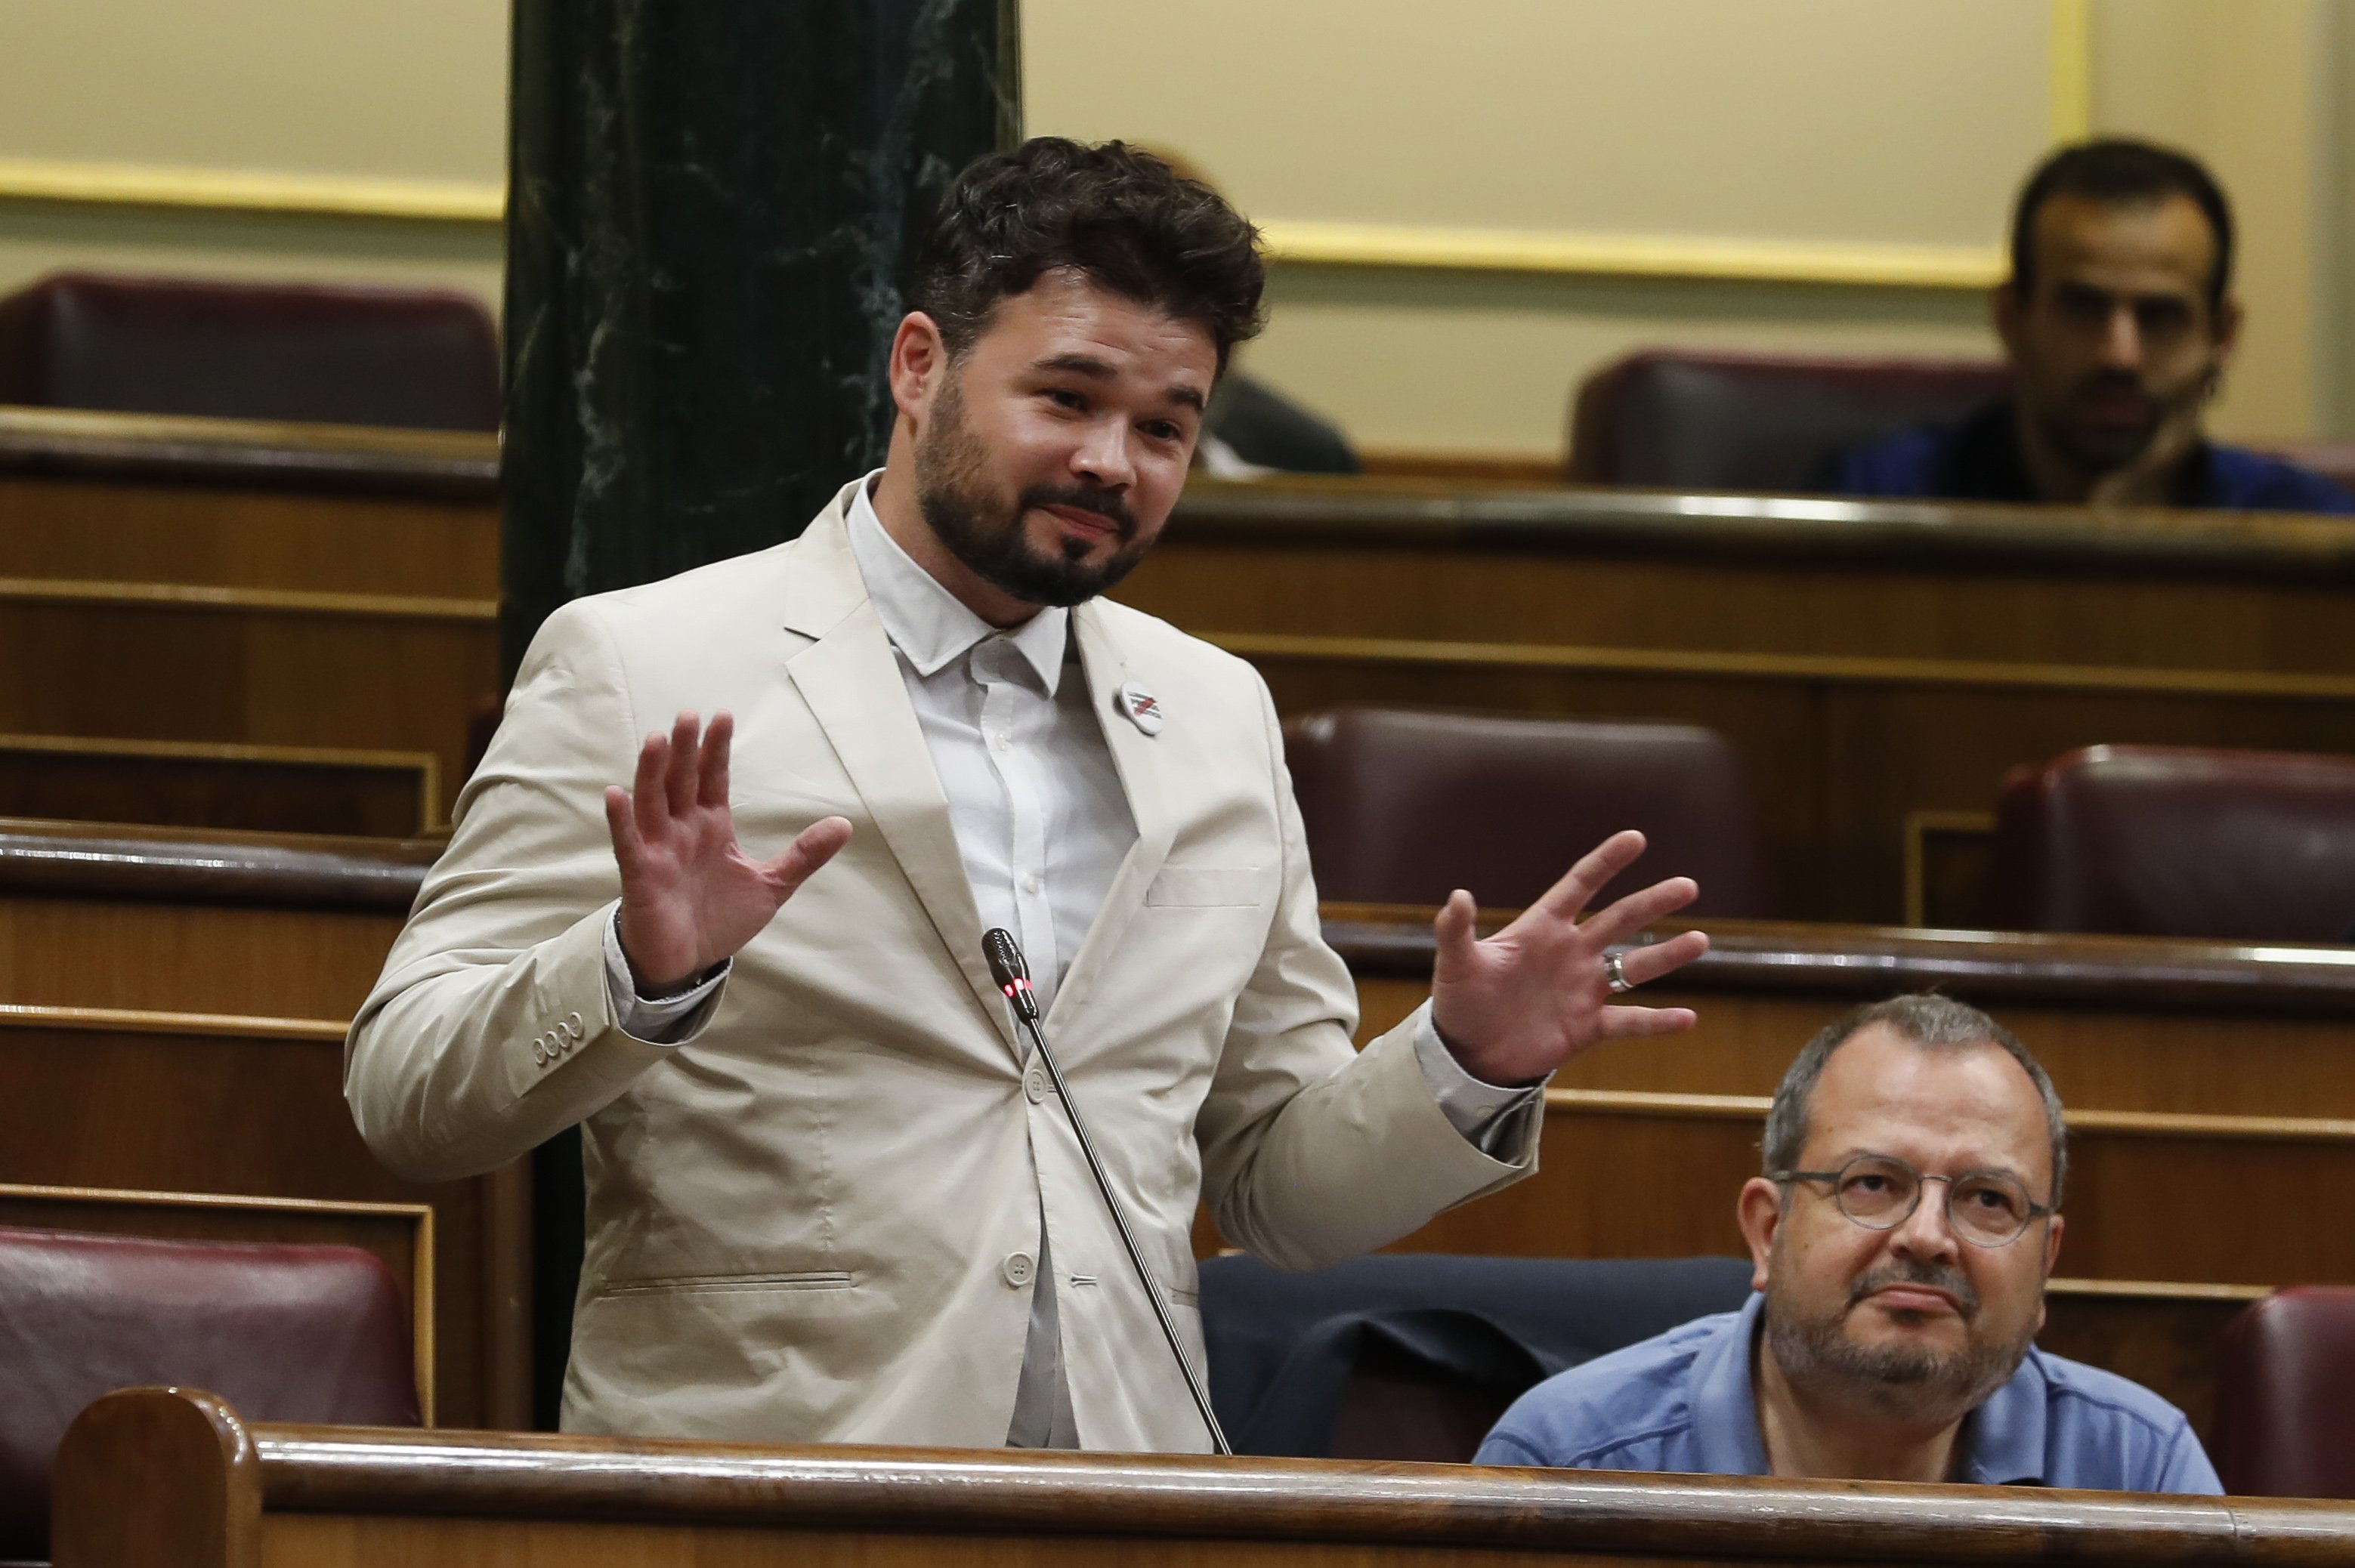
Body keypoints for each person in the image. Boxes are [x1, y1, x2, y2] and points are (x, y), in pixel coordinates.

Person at [343, 138, 1711, 1452]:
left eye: (1165, 426)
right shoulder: (643, 660)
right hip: (771, 1481)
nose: (1115, 462)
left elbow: (1276, 1197)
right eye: (1066, 399)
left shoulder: (1216, 713)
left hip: (1124, 1486)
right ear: (920, 366)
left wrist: (1463, 1065)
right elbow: (410, 1094)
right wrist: (636, 971)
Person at [1476, 995, 2221, 1491]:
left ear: (2045, 1265)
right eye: (1873, 1184)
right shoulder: (1568, 1465)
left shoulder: (2140, 1468)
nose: (1928, 1236)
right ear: (1769, 1232)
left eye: (1988, 1199)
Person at [1822, 138, 2353, 513]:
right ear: (2012, 317)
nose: (2118, 354)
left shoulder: (2306, 536)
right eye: (2082, 308)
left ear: (2222, 335)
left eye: (2160, 316)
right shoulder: (1877, 502)